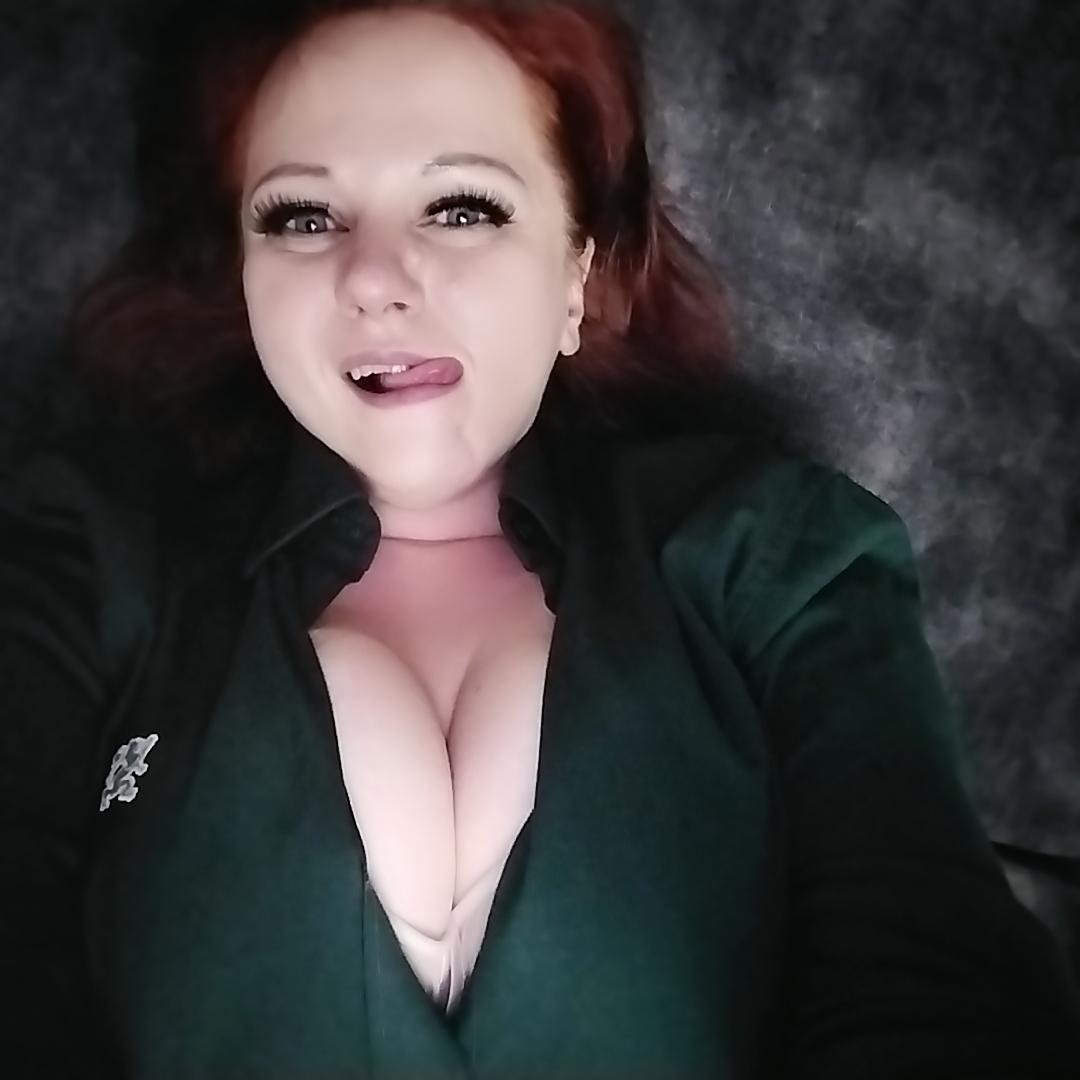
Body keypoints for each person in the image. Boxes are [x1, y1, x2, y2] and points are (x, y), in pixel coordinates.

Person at [3, 0, 1079, 1075]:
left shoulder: (781, 556)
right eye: (301, 217)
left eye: (461, 207)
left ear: (578, 275)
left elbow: (935, 981)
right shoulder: (87, 560)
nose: (372, 278)